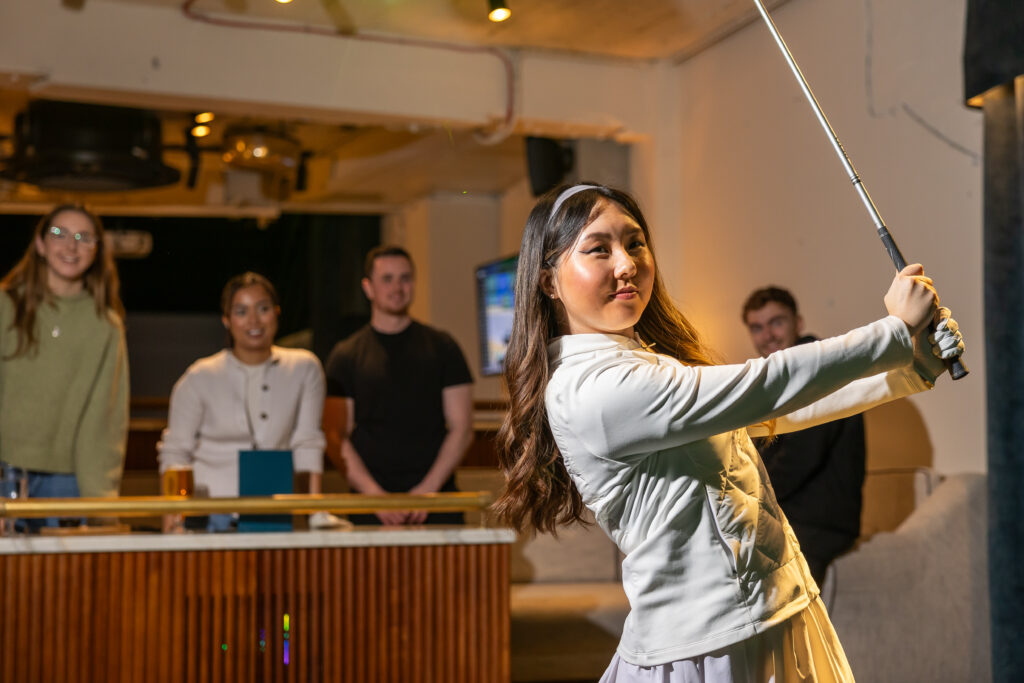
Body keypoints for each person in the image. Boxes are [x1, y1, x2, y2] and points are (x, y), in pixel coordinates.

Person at [493, 183, 964, 681]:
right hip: (709, 645)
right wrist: (892, 332)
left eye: (635, 243)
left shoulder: (644, 363)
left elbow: (773, 413)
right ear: (548, 281)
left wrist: (912, 366)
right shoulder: (591, 388)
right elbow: (763, 386)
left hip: (769, 610)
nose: (626, 264)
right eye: (598, 249)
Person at [158, 272, 331, 532]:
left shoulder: (305, 368)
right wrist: (171, 525)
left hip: (275, 514)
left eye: (263, 309)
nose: (254, 320)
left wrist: (315, 515)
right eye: (241, 311)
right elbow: (174, 453)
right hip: (209, 516)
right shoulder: (199, 376)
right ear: (226, 320)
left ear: (277, 312)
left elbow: (308, 442)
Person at [0, 204, 129, 531]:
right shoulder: (5, 305)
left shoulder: (106, 325)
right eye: (60, 234)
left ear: (96, 251)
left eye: (84, 237)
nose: (71, 245)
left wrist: (101, 503)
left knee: (64, 567)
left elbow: (104, 419)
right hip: (5, 471)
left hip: (67, 481)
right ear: (40, 245)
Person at [325, 245, 473, 526]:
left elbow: (462, 428)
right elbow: (336, 437)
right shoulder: (345, 355)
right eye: (387, 279)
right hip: (369, 505)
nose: (397, 287)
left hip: (437, 502)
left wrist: (428, 491)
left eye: (405, 278)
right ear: (368, 288)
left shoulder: (444, 347)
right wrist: (375, 497)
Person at [742, 286, 865, 584]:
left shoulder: (819, 369)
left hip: (817, 524)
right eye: (757, 327)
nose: (767, 335)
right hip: (791, 516)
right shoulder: (783, 377)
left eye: (777, 322)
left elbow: (797, 460)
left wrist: (745, 498)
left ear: (798, 323)